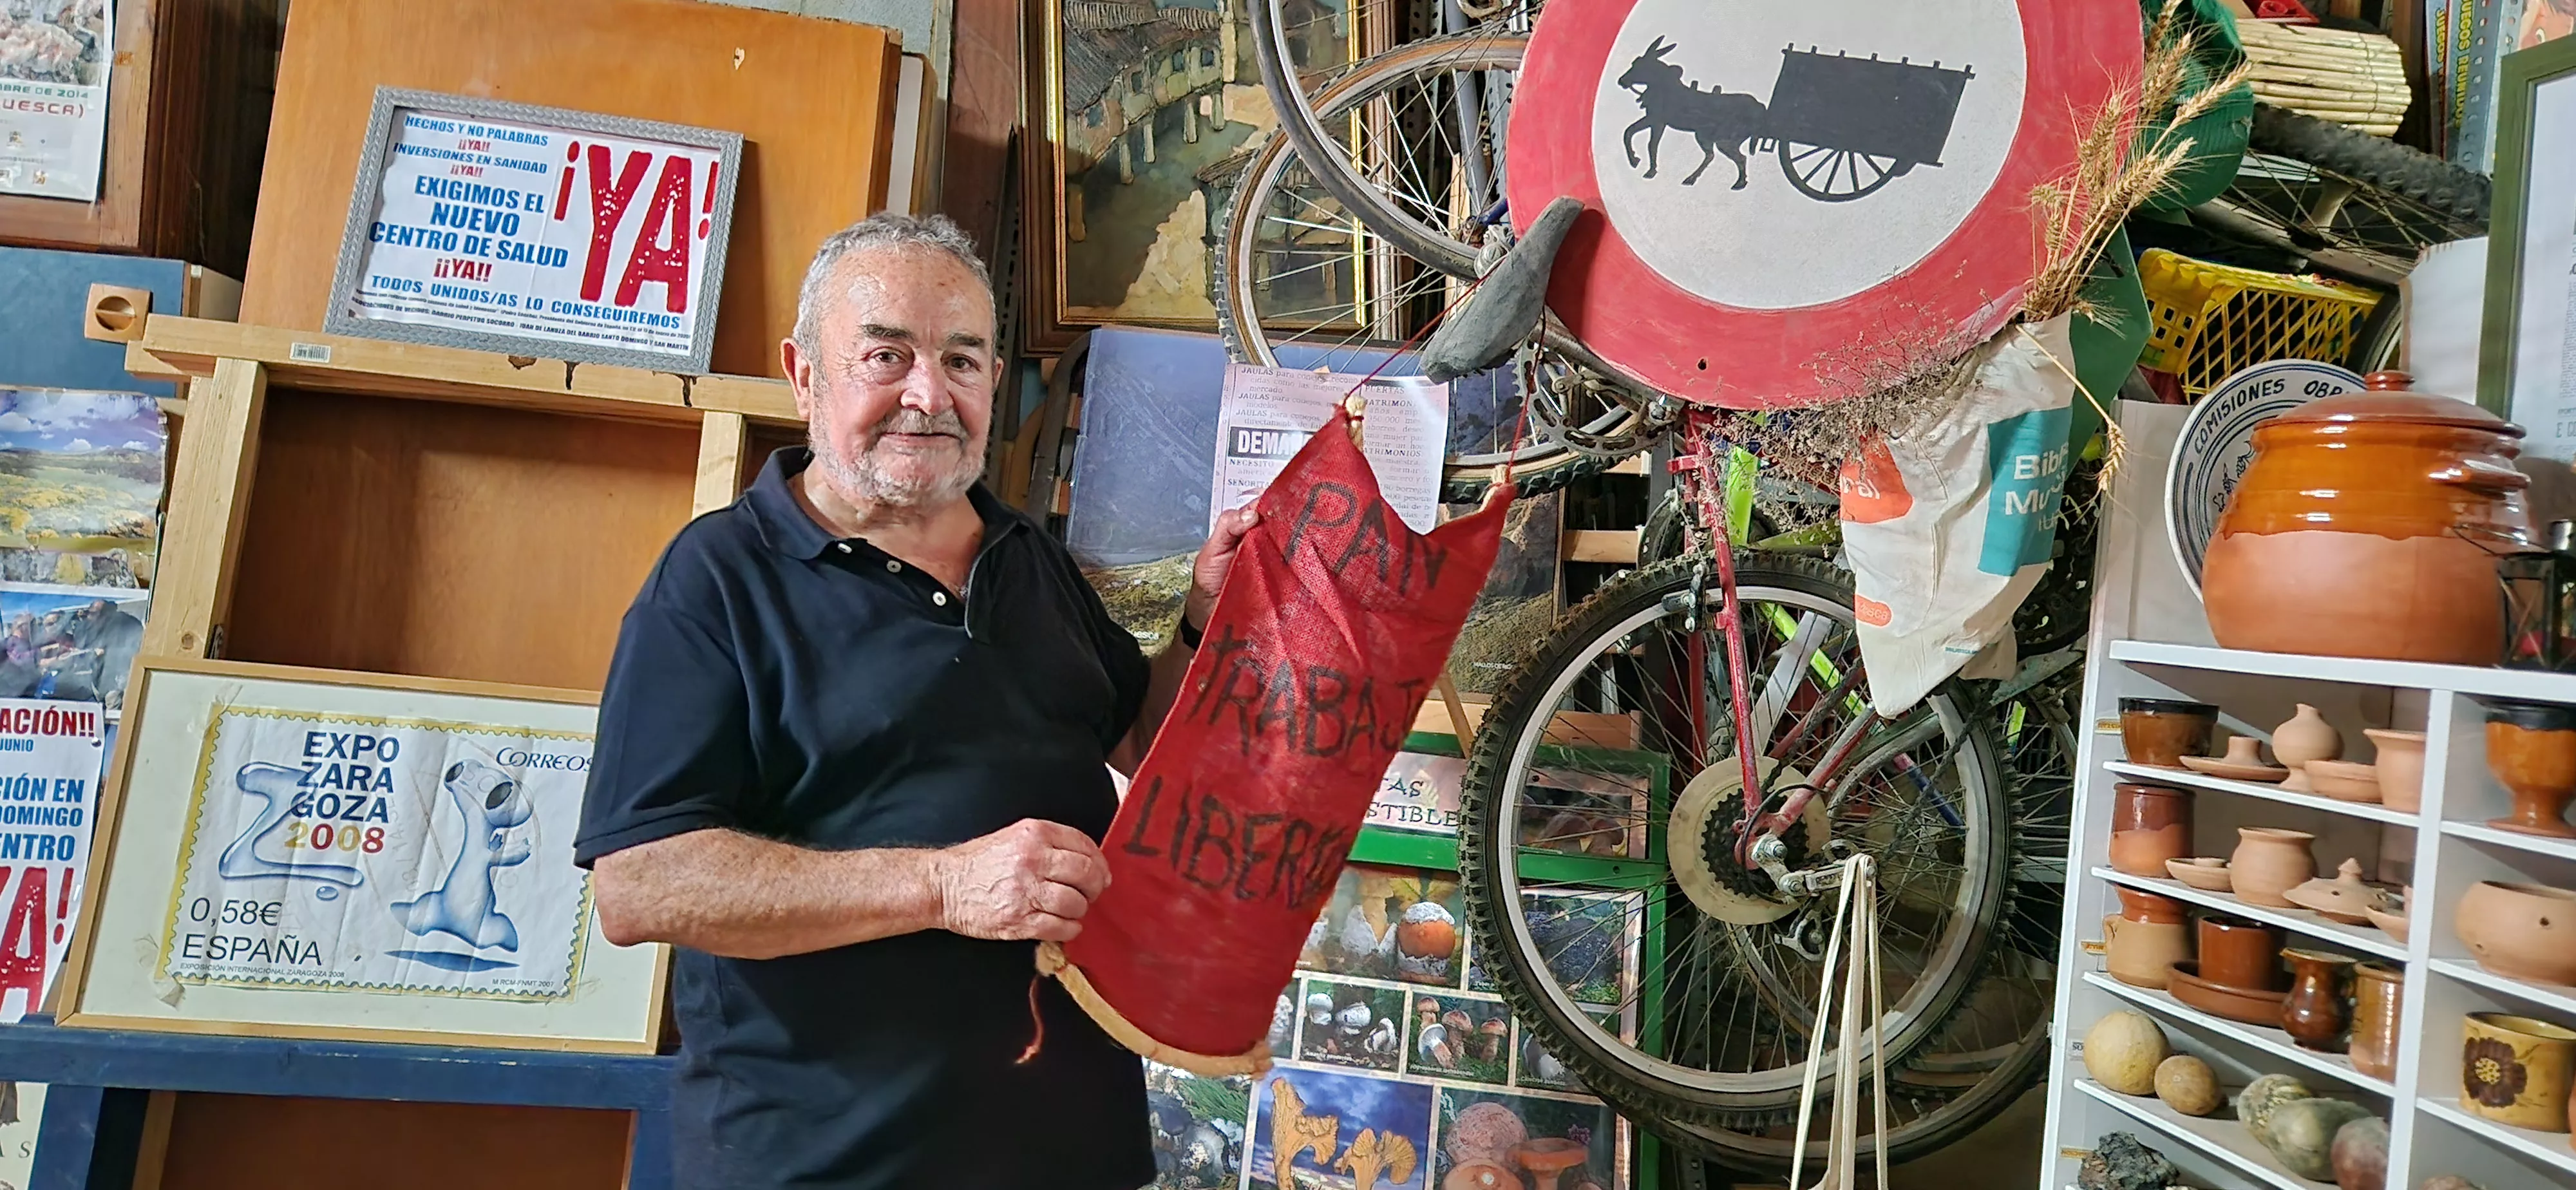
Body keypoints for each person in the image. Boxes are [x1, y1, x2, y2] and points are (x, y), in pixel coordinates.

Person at [576, 212, 1259, 1190]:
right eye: (886, 356)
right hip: (825, 1166)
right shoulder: (720, 580)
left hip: (1076, 1156)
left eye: (964, 361)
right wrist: (945, 887)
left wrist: (1202, 619)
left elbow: (1143, 739)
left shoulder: (1029, 558)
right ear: (805, 372)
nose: (929, 395)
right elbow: (641, 882)